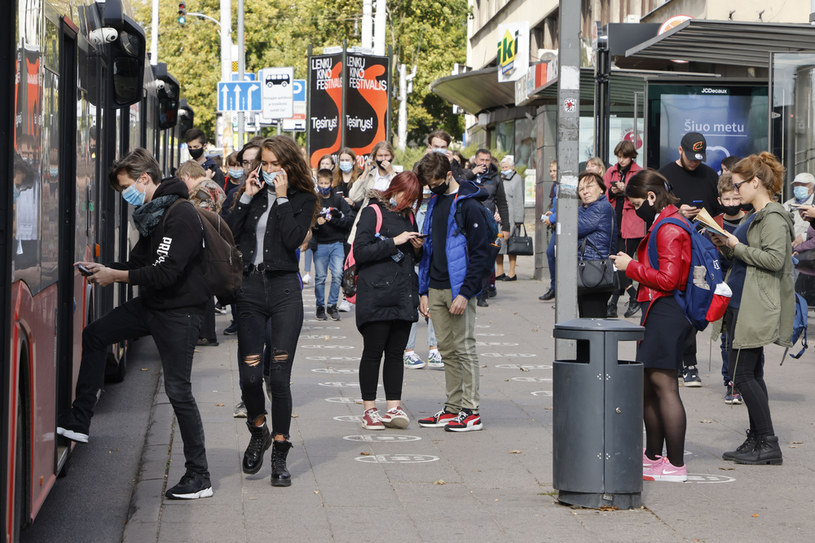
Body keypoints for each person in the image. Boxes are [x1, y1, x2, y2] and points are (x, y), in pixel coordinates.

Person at [60, 148, 213, 499]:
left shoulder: (180, 214)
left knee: (178, 391)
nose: (127, 195)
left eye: (127, 187)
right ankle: (78, 422)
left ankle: (199, 475)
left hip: (180, 313)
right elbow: (139, 264)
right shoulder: (152, 214)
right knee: (96, 334)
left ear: (145, 179)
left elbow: (166, 271)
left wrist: (114, 276)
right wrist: (102, 267)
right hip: (154, 305)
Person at [226, 136, 318, 487]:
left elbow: (294, 239)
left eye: (276, 164)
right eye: (264, 164)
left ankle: (280, 451)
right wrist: (247, 196)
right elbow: (229, 234)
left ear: (289, 166)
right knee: (249, 377)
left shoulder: (302, 198)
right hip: (249, 289)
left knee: (278, 376)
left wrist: (280, 198)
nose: (269, 170)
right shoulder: (248, 196)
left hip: (283, 290)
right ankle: (258, 430)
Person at [610, 169, 693, 483]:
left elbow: (670, 280)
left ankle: (675, 464)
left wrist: (630, 267)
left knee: (664, 387)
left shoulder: (669, 227)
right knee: (648, 386)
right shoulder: (665, 220)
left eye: (634, 203)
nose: (633, 209)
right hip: (659, 310)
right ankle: (655, 457)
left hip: (666, 311)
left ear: (652, 197)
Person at [713, 153, 793, 466]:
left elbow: (775, 260)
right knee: (749, 374)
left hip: (754, 304)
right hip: (741, 299)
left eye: (739, 185)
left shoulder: (772, 216)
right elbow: (750, 257)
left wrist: (737, 246)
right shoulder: (755, 215)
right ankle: (759, 438)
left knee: (743, 375)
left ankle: (768, 442)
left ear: (755, 182)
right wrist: (726, 246)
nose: (736, 191)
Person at [414, 152, 493, 432]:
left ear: (448, 175)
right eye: (428, 184)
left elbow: (482, 255)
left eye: (435, 182)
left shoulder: (468, 206)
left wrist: (465, 293)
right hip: (435, 287)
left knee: (465, 348)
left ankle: (471, 411)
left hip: (459, 289)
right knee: (446, 350)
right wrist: (423, 290)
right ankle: (453, 407)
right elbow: (429, 249)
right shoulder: (434, 202)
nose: (430, 188)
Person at [353, 171, 423, 429]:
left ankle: (393, 407)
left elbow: (414, 259)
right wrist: (395, 241)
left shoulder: (410, 216)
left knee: (396, 354)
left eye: (414, 199)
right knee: (373, 352)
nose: (409, 202)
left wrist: (417, 248)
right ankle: (369, 409)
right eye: (407, 195)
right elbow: (360, 251)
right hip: (376, 294)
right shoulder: (374, 211)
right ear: (395, 189)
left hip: (403, 294)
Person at [658, 131, 720, 387]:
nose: (695, 162)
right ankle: (681, 360)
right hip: (675, 249)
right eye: (691, 157)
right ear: (680, 151)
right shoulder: (665, 175)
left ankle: (689, 361)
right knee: (676, 304)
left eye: (699, 158)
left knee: (695, 301)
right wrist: (677, 211)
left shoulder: (709, 175)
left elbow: (718, 211)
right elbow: (655, 210)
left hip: (701, 249)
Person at [177, 160, 227, 346]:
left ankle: (206, 334)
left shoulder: (202, 191)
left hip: (204, 246)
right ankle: (206, 333)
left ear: (187, 177)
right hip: (213, 244)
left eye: (183, 182)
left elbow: (198, 218)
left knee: (202, 292)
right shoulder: (214, 187)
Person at [708, 173, 746, 404]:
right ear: (720, 200)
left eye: (735, 199)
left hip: (744, 283)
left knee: (748, 339)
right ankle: (730, 382)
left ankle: (748, 380)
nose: (732, 204)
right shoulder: (714, 222)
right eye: (727, 200)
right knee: (727, 339)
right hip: (723, 285)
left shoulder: (750, 220)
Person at [462, 148, 510, 306]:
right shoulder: (467, 175)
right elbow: (458, 183)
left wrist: (506, 226)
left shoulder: (495, 178)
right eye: (481, 160)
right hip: (468, 222)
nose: (484, 163)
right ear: (476, 160)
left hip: (488, 223)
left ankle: (482, 294)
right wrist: (471, 173)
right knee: (471, 257)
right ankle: (471, 291)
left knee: (487, 258)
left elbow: (502, 203)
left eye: (487, 160)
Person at [403, 184, 443, 370]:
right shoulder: (409, 207)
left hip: (432, 262)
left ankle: (434, 349)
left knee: (433, 307)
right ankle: (408, 350)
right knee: (413, 308)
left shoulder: (438, 203)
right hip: (413, 263)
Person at [604, 140, 645, 318]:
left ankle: (628, 298)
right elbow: (604, 194)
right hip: (615, 221)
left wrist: (626, 189)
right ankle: (621, 300)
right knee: (616, 261)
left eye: (625, 157)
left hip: (632, 223)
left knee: (621, 262)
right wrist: (613, 191)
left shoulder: (639, 172)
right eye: (619, 157)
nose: (621, 160)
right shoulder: (611, 171)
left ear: (631, 156)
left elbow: (642, 195)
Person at [312, 168, 354, 321]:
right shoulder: (314, 200)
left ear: (331, 183)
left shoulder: (338, 200)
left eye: (326, 183)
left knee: (337, 275)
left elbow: (349, 219)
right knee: (320, 278)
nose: (324, 186)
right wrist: (316, 222)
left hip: (336, 243)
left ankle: (331, 305)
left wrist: (333, 220)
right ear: (317, 183)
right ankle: (320, 306)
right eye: (321, 183)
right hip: (320, 244)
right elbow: (307, 222)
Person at [576, 171, 616, 317]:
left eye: (589, 186)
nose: (585, 192)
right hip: (589, 271)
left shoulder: (600, 208)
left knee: (592, 323)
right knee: (586, 321)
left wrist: (556, 218)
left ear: (601, 188)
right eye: (581, 189)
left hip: (595, 272)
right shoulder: (587, 209)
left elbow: (573, 227)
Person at [347, 141, 397, 244]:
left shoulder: (397, 176)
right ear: (374, 158)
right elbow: (354, 197)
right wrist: (365, 172)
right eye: (380, 156)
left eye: (386, 155)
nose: (383, 159)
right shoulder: (370, 175)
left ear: (392, 156)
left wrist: (391, 173)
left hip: (388, 221)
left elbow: (400, 196)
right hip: (368, 221)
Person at [495, 155, 526, 281]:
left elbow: (519, 199)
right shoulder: (499, 178)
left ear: (512, 167)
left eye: (506, 167)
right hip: (499, 216)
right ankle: (500, 270)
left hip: (512, 216)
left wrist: (519, 219)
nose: (504, 169)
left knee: (512, 245)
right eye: (502, 167)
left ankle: (512, 272)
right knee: (499, 244)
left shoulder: (517, 179)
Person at [540, 160, 558, 301]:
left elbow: (569, 208)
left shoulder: (565, 186)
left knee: (552, 253)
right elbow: (558, 207)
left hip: (563, 226)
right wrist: (551, 212)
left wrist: (552, 219)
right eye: (551, 171)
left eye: (554, 171)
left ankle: (556, 289)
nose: (552, 173)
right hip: (557, 226)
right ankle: (554, 287)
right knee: (551, 253)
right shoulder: (556, 186)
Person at [782, 172, 815, 246]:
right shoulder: (788, 204)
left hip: (806, 251)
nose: (799, 187)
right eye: (796, 184)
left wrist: (804, 236)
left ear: (811, 186)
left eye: (803, 185)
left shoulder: (813, 203)